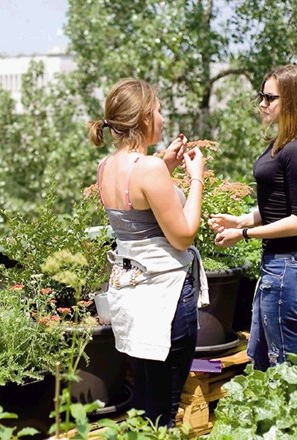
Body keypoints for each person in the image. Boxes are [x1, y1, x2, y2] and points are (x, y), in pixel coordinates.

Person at [88, 78, 208, 427]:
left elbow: (139, 206)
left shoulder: (107, 166)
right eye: (157, 110)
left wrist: (165, 165)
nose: (163, 118)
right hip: (165, 298)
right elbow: (183, 236)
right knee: (164, 412)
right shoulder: (149, 169)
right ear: (142, 118)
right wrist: (196, 178)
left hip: (132, 296)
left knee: (144, 405)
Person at [208, 64, 297, 371]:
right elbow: (278, 208)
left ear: (294, 101)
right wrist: (242, 220)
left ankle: (293, 420)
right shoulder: (282, 145)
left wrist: (243, 236)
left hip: (290, 268)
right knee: (261, 360)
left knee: (283, 368)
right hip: (278, 267)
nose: (262, 103)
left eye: (270, 97)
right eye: (262, 96)